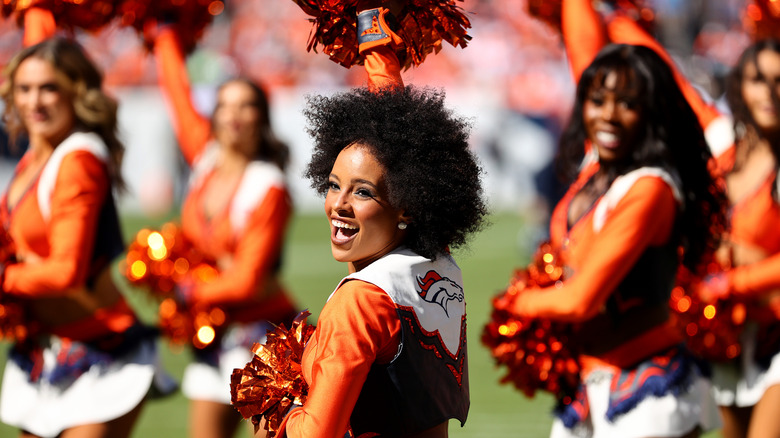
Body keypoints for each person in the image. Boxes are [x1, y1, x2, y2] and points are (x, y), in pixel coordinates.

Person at [273, 6, 487, 437]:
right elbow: (401, 142)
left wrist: (284, 398)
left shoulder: (360, 304)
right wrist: (373, 36)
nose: (339, 205)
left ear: (406, 204)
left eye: (363, 192)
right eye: (334, 185)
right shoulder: (434, 259)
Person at [495, 42, 726, 438]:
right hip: (587, 390)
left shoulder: (650, 187)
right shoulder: (597, 165)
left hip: (646, 388)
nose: (608, 115)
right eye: (597, 100)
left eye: (628, 104)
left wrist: (517, 302)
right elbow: (581, 44)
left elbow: (580, 300)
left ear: (651, 111)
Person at [0, 38, 170, 438]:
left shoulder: (78, 160)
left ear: (76, 90)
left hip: (103, 354)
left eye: (49, 87)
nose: (34, 101)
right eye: (24, 89)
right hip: (44, 353)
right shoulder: (36, 153)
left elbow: (65, 273)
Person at [151, 24, 299, 438]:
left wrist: (188, 289)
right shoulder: (205, 158)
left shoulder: (267, 185)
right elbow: (177, 96)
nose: (233, 114)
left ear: (262, 117)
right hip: (214, 334)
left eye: (246, 105)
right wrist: (163, 32)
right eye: (224, 105)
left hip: (265, 338)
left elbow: (248, 280)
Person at [697, 38, 780, 438]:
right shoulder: (724, 146)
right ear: (740, 86)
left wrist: (734, 277)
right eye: (758, 79)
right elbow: (668, 77)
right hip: (728, 331)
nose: (770, 92)